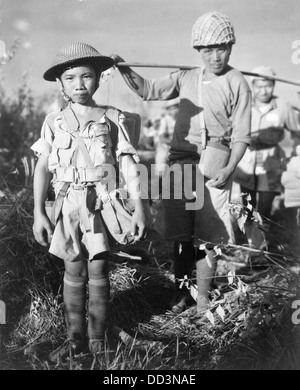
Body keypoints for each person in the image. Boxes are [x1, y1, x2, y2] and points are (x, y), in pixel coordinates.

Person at [112, 11, 252, 315]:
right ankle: (180, 292)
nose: (215, 56)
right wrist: (123, 67)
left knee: (208, 237)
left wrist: (229, 169)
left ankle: (202, 298)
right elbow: (147, 90)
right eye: (208, 50)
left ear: (231, 47)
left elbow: (241, 135)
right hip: (180, 162)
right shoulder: (186, 76)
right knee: (178, 235)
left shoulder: (237, 82)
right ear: (198, 51)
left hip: (216, 162)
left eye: (222, 48)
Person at [31, 42, 147, 361]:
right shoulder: (54, 121)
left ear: (98, 79)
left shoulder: (112, 118)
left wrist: (139, 206)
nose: (79, 84)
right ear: (60, 83)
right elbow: (42, 167)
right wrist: (38, 212)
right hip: (68, 205)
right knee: (73, 270)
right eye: (70, 78)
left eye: (87, 77)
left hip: (100, 204)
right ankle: (75, 340)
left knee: (98, 269)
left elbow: (127, 163)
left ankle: (98, 340)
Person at [233, 66, 300, 222]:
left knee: (265, 204)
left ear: (274, 85)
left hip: (271, 162)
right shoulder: (244, 105)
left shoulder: (283, 106)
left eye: (268, 86)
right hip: (246, 160)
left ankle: (262, 240)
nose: (263, 91)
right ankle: (249, 238)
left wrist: (295, 154)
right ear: (253, 86)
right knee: (247, 203)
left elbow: (297, 130)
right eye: (259, 86)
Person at [154, 99, 179, 177]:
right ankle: (159, 183)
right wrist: (175, 142)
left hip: (176, 147)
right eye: (171, 109)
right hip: (164, 146)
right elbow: (162, 138)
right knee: (161, 168)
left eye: (175, 108)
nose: (173, 111)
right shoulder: (165, 120)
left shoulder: (181, 119)